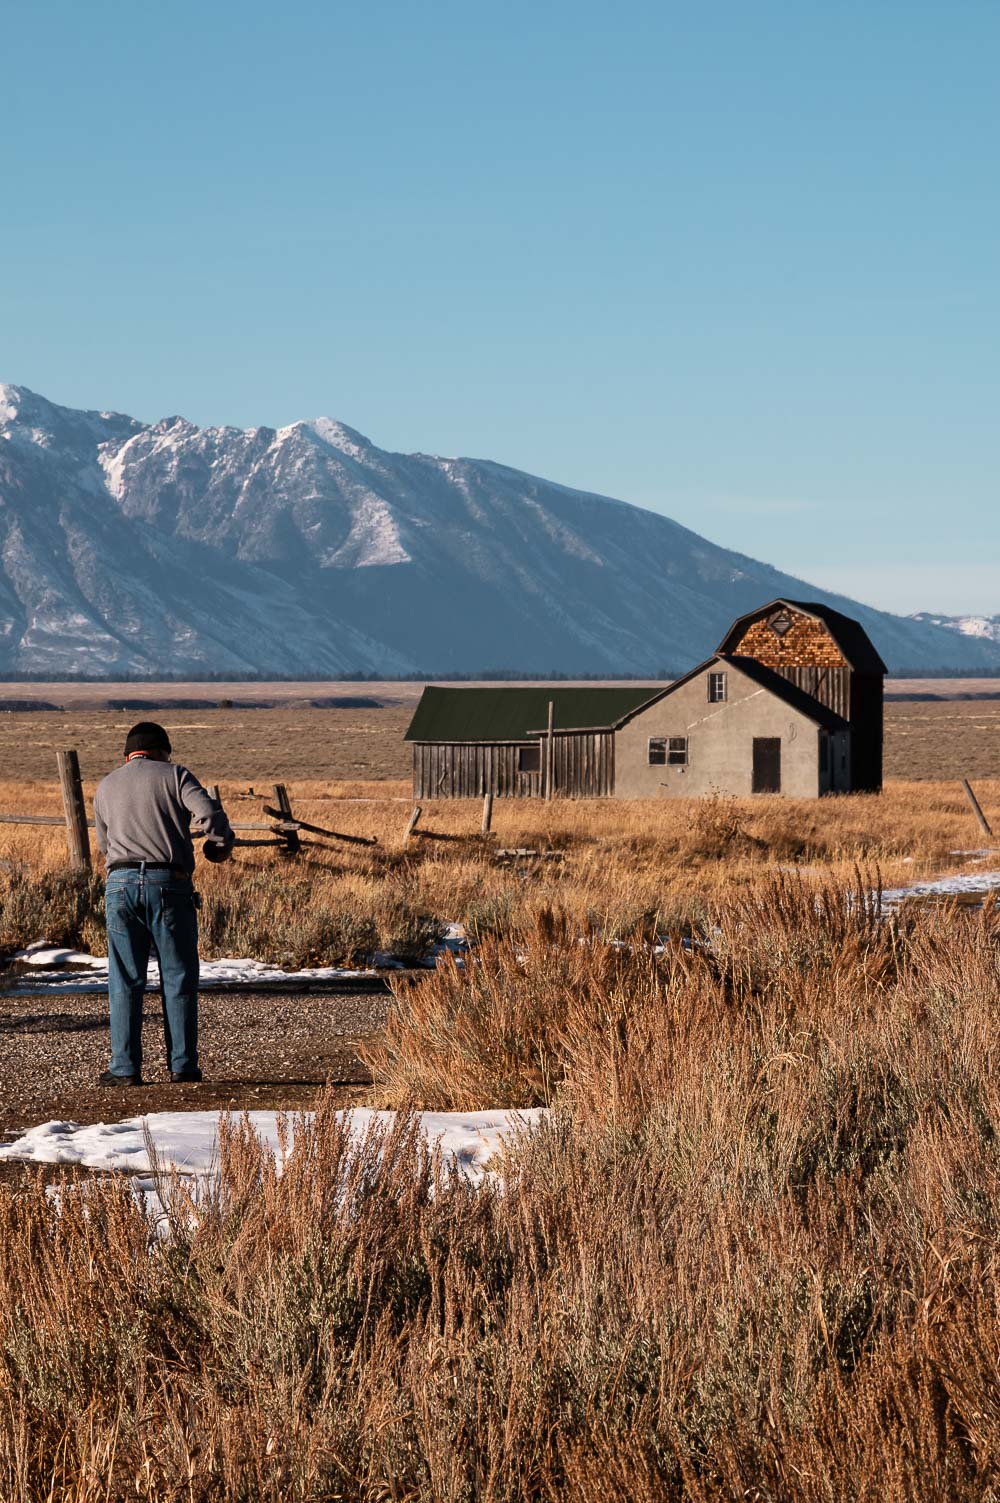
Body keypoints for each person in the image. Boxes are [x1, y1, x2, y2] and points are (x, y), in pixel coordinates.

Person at [93, 721, 235, 1087]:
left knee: (125, 979)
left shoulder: (107, 785)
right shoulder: (175, 776)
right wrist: (218, 844)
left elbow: (104, 845)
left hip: (120, 883)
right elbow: (209, 814)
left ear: (128, 754)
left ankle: (125, 1068)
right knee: (178, 975)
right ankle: (183, 1065)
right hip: (168, 883)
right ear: (161, 751)